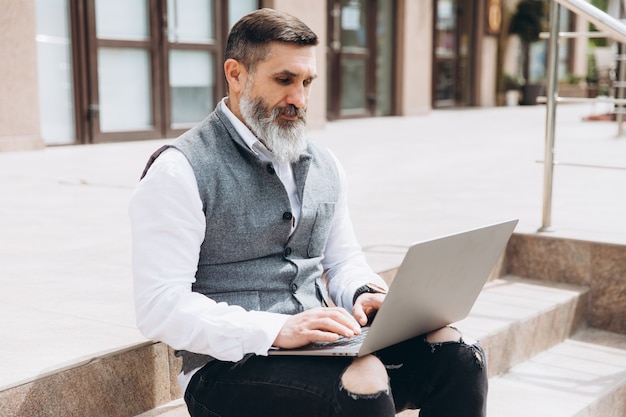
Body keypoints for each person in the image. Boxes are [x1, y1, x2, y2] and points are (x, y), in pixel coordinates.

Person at [130, 8, 487, 417]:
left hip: (324, 348)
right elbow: (159, 306)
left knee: (458, 354)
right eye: (284, 80)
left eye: (307, 82)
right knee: (364, 380)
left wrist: (363, 293)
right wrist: (277, 328)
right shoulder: (179, 170)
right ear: (236, 74)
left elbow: (344, 259)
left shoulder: (324, 162)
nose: (298, 99)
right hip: (227, 369)